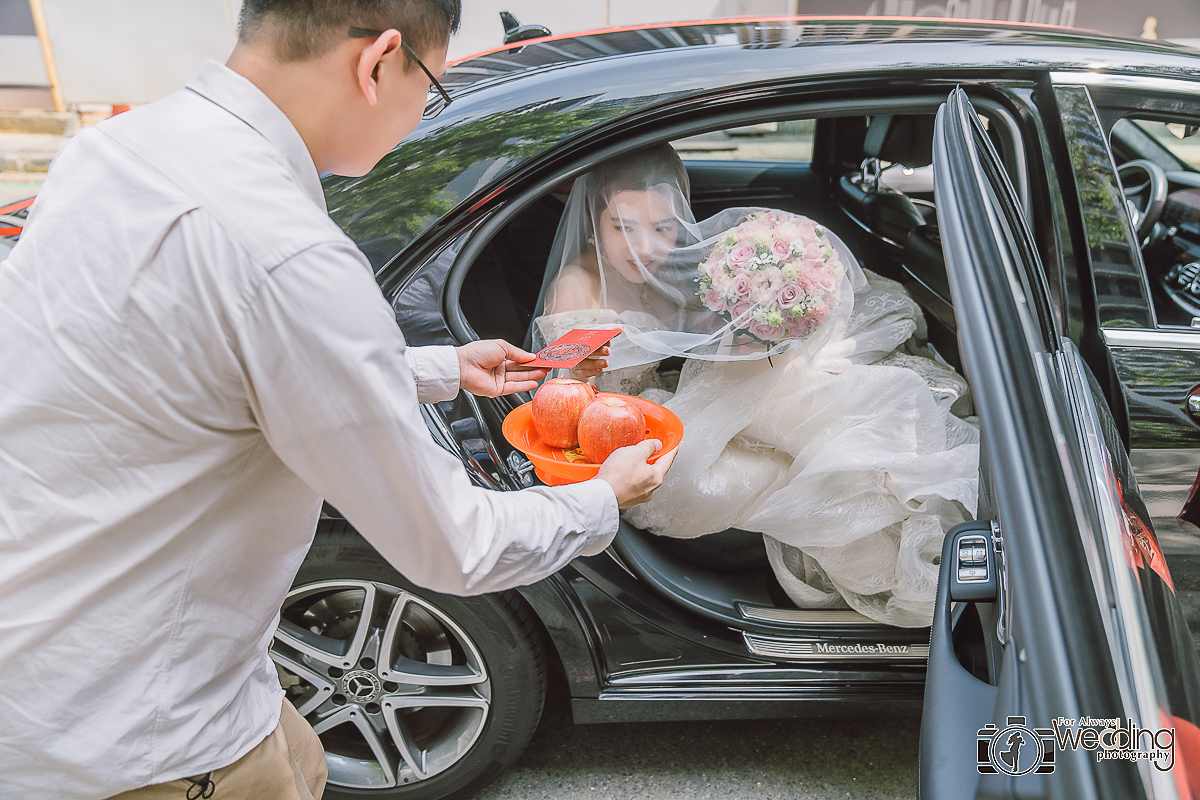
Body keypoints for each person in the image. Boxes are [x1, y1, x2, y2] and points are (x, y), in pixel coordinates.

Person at [0, 3, 674, 799]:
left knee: (307, 768)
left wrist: (440, 368)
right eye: (433, 83)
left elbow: (202, 362)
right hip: (147, 731)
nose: (425, 109)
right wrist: (602, 496)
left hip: (67, 648)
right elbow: (453, 546)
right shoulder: (288, 253)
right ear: (379, 62)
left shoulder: (115, 150)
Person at [533, 144, 980, 627]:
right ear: (595, 221)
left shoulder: (661, 273)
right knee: (796, 466)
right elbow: (564, 404)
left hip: (676, 400)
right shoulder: (578, 288)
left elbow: (690, 337)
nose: (646, 248)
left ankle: (895, 475)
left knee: (823, 397)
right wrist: (583, 374)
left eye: (663, 228)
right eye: (624, 227)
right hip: (635, 451)